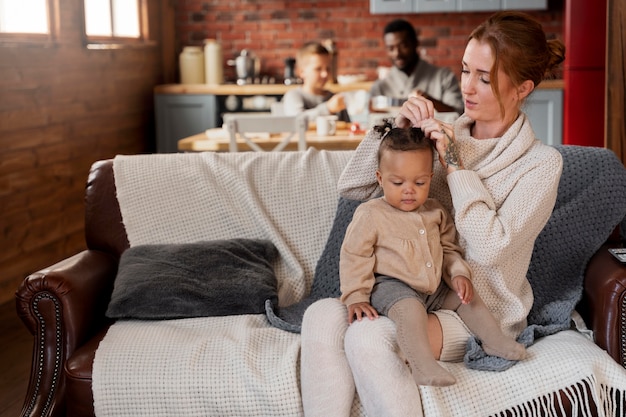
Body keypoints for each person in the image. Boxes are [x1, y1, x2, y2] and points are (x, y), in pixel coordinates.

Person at [301, 10, 565, 417]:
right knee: (320, 315)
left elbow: (490, 247)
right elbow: (353, 188)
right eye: (464, 70)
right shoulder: (439, 136)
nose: (467, 88)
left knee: (367, 339)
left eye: (484, 76)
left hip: (477, 308)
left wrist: (456, 165)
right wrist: (396, 129)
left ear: (522, 88)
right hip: (407, 288)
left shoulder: (541, 164)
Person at [340, 124, 526, 387]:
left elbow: (450, 249)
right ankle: (422, 366)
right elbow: (354, 256)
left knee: (468, 298)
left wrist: (459, 274)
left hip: (433, 286)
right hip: (391, 286)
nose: (409, 190)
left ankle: (494, 340)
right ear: (380, 178)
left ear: (430, 177)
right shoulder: (371, 214)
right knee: (410, 310)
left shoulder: (435, 212)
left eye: (419, 182)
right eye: (397, 182)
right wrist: (356, 296)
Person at [370, 19, 464, 115]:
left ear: (415, 43)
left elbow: (458, 115)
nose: (397, 53)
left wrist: (428, 101)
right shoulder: (379, 87)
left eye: (403, 46)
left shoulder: (445, 78)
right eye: (391, 48)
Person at [281, 41, 350, 123]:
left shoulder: (334, 98)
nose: (325, 74)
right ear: (301, 72)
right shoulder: (293, 95)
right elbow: (297, 121)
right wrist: (328, 109)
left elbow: (348, 127)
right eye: (318, 69)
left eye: (328, 68)